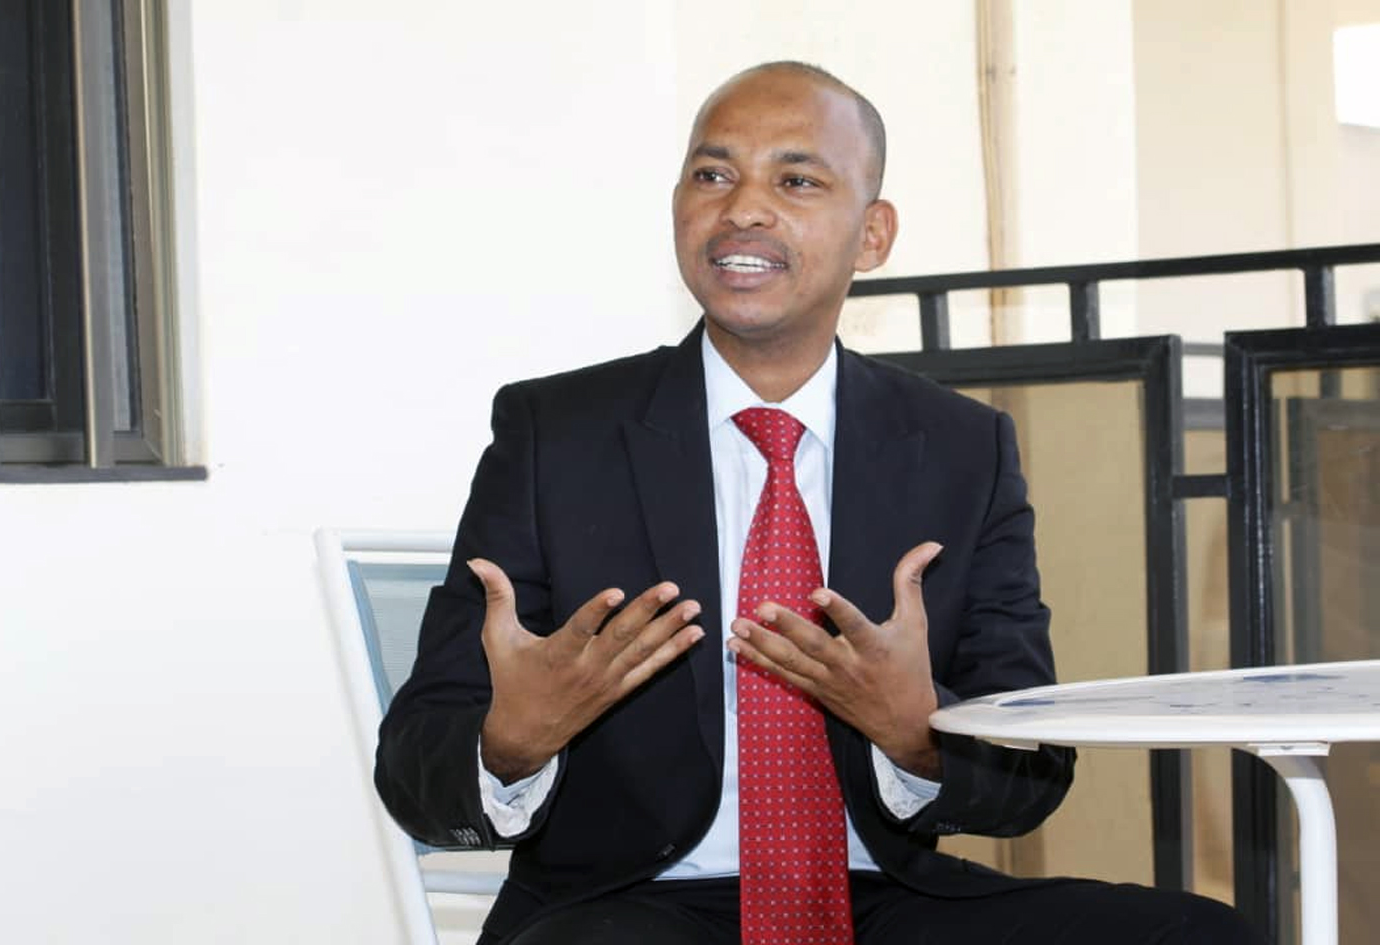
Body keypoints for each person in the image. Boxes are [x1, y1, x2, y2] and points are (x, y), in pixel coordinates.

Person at [376, 61, 1260, 945]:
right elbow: (416, 769)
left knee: (1199, 936)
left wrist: (915, 736)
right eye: (712, 174)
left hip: (884, 895)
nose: (743, 209)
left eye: (795, 180)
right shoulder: (555, 433)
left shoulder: (961, 448)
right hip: (628, 903)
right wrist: (510, 742)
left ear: (872, 234)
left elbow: (1028, 773)